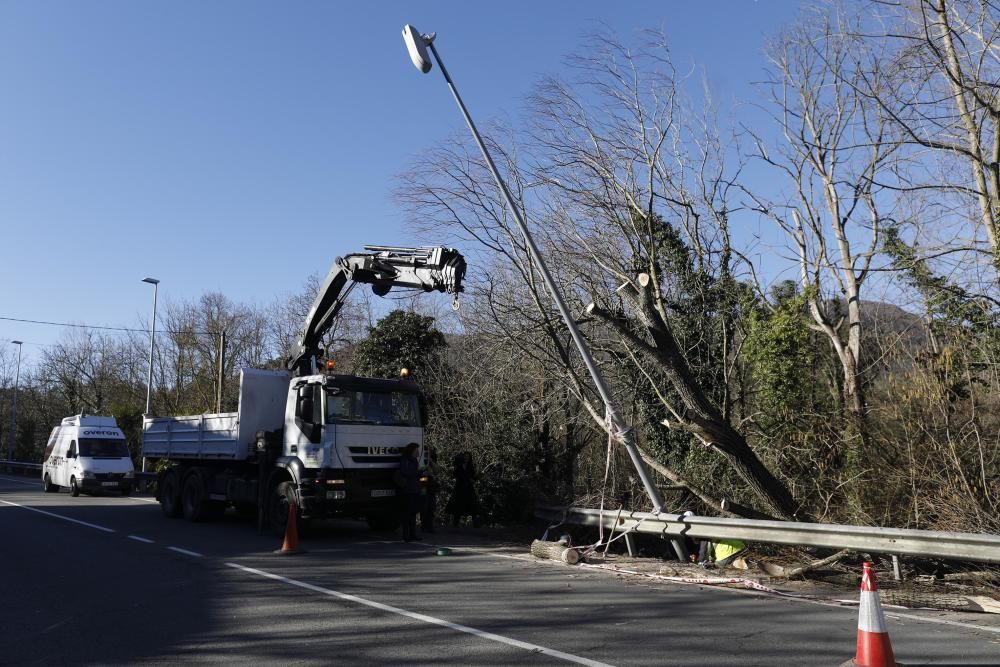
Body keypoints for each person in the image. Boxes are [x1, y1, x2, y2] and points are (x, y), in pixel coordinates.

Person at [394, 443, 422, 542]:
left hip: (415, 489)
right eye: (416, 450)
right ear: (412, 451)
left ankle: (413, 534)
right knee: (407, 514)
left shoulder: (414, 460)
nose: (418, 452)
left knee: (413, 513)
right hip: (407, 490)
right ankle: (406, 535)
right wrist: (417, 472)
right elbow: (405, 472)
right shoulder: (405, 460)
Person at [445, 451, 479, 528]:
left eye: (468, 456)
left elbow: (473, 476)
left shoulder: (471, 466)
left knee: (472, 504)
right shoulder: (459, 466)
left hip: (468, 487)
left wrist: (476, 477)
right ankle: (456, 523)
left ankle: (475, 522)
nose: (466, 458)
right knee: (458, 504)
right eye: (465, 456)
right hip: (460, 487)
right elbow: (455, 474)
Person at [420, 446, 439, 534]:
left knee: (431, 506)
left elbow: (436, 470)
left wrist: (430, 460)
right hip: (423, 486)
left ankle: (429, 526)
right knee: (424, 506)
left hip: (431, 485)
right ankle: (424, 524)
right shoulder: (420, 459)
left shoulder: (431, 460)